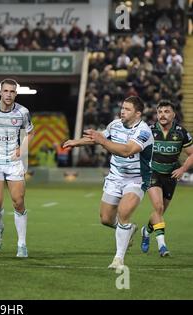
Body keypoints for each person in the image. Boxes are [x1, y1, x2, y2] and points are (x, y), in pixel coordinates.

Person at [63, 96, 154, 269]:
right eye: (122, 107)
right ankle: (129, 228)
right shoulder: (115, 124)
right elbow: (98, 138)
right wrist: (77, 142)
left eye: (127, 109)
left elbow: (127, 151)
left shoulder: (143, 131)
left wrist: (103, 141)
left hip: (136, 179)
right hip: (115, 177)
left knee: (124, 212)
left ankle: (118, 259)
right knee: (105, 219)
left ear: (138, 113)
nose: (122, 111)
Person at [0, 78, 34, 258]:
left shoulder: (23, 112)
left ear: (16, 94)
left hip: (13, 162)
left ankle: (22, 244)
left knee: (18, 202)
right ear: (0, 92)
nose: (9, 94)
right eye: (6, 91)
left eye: (12, 91)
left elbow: (30, 132)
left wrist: (22, 149)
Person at [140, 100, 193, 257]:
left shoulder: (181, 132)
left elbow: (191, 154)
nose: (163, 115)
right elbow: (135, 148)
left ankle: (146, 230)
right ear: (156, 114)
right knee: (158, 207)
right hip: (152, 173)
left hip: (171, 176)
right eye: (160, 112)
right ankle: (162, 245)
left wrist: (183, 168)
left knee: (160, 211)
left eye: (166, 112)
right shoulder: (148, 131)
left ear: (173, 114)